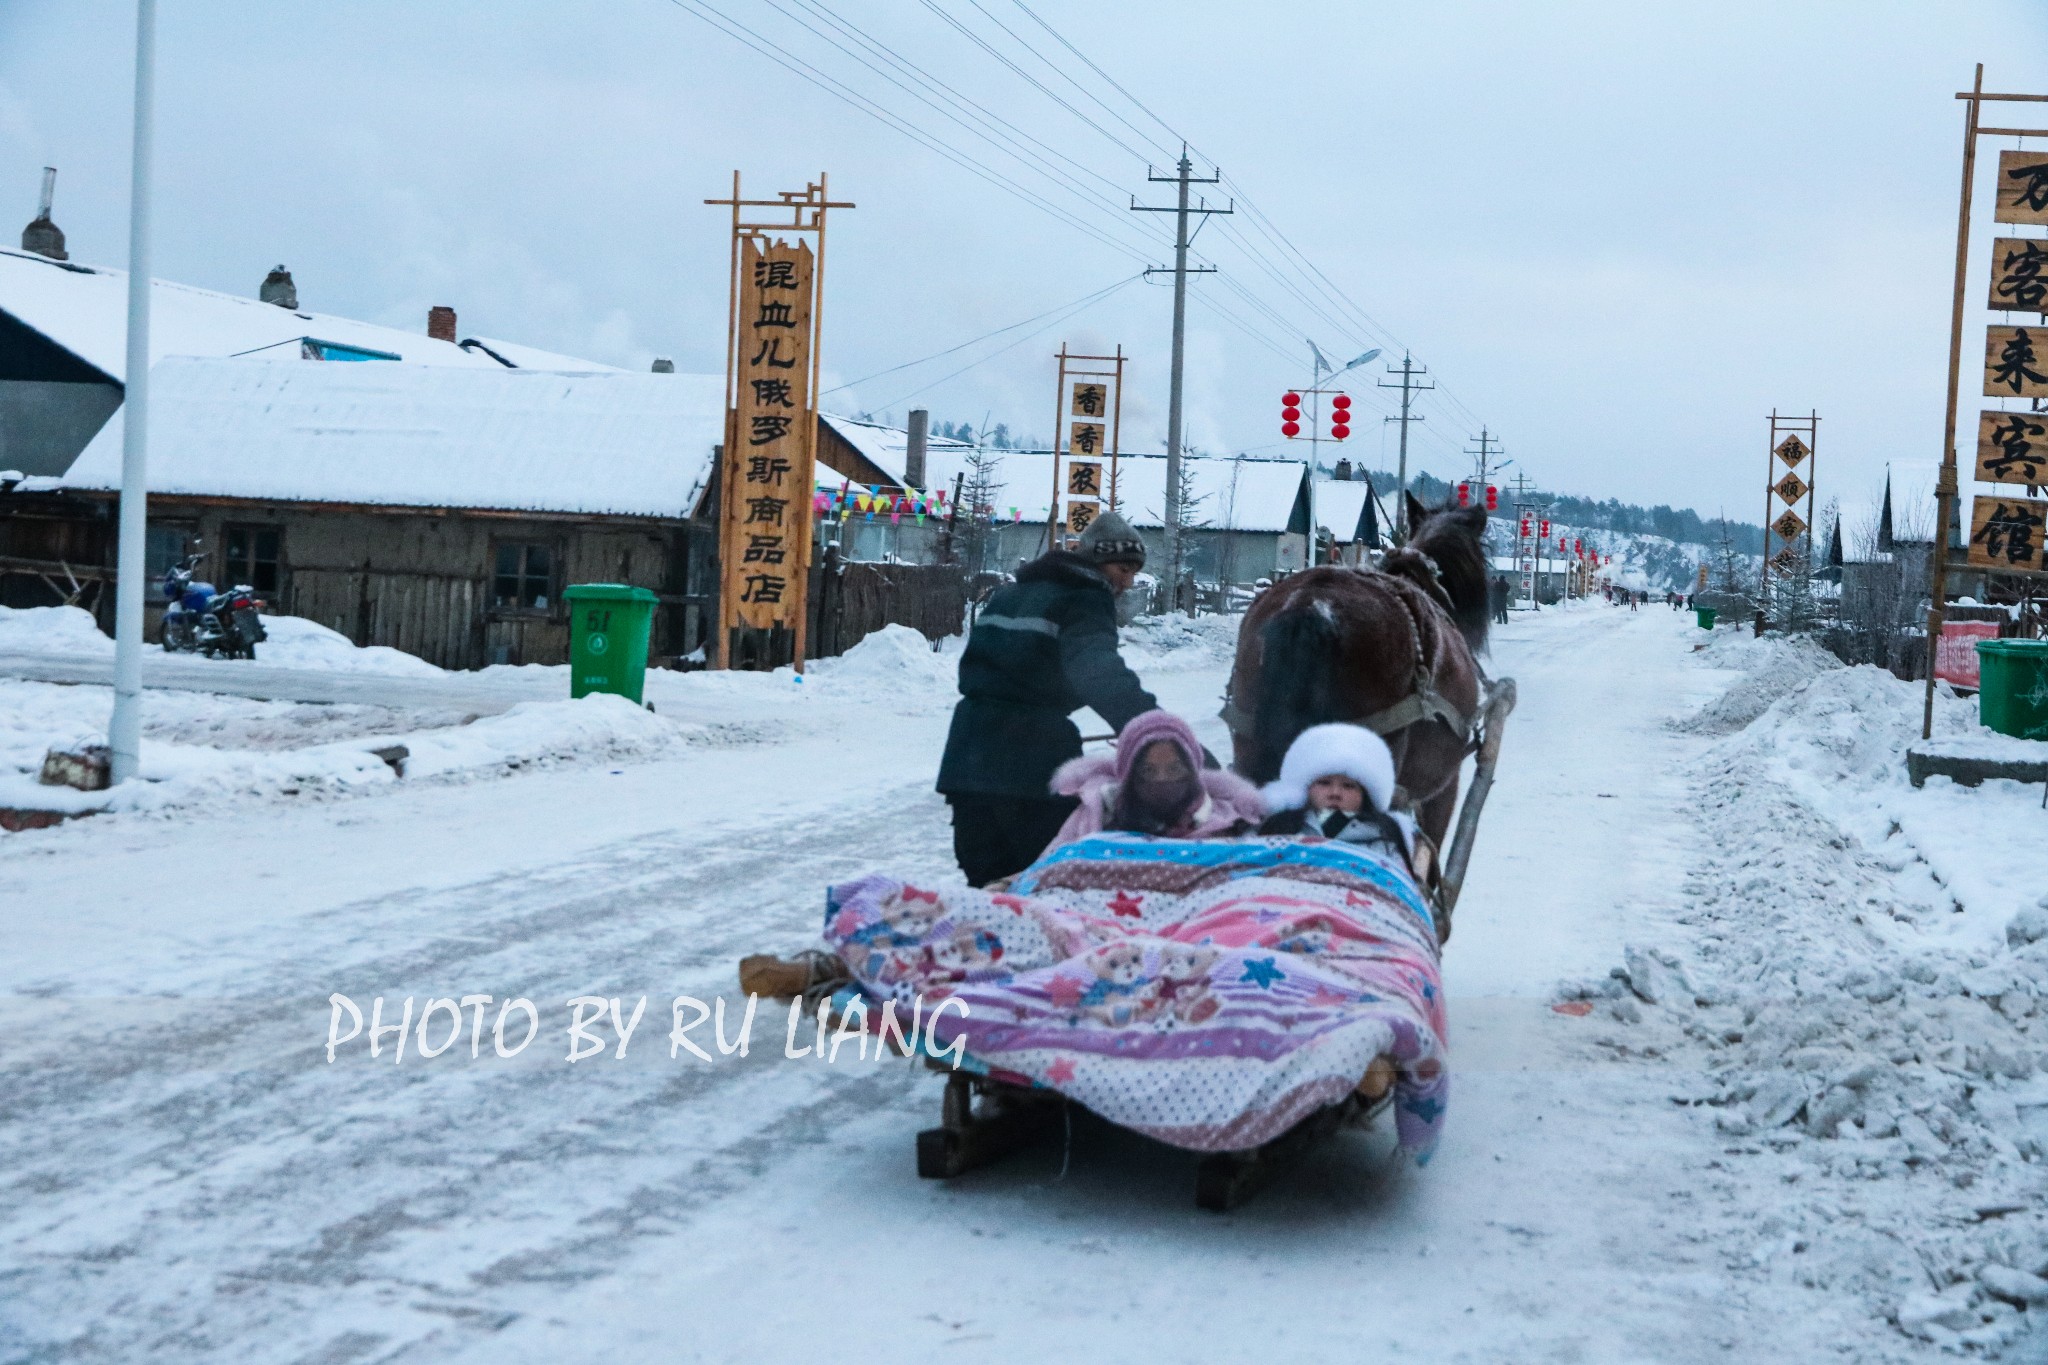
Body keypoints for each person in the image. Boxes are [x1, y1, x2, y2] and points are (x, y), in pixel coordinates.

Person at [937, 511, 1161, 887]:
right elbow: (1100, 674)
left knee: (986, 885)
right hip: (1030, 761)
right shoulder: (1086, 598)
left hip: (967, 756)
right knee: (1044, 879)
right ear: (1097, 560)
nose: (1128, 582)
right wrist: (1153, 730)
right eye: (1123, 569)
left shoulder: (1010, 594)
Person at [1046, 709, 1264, 849]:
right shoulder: (1098, 815)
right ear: (1128, 773)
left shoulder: (1225, 821)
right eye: (1148, 771)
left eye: (1174, 769)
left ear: (1192, 770)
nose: (1162, 780)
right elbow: (1049, 870)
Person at [1255, 722, 1420, 876]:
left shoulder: (1385, 837)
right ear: (1307, 789)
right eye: (1324, 783)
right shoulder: (1280, 826)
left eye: (1348, 786)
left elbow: (1397, 882)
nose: (1335, 793)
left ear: (1366, 795)